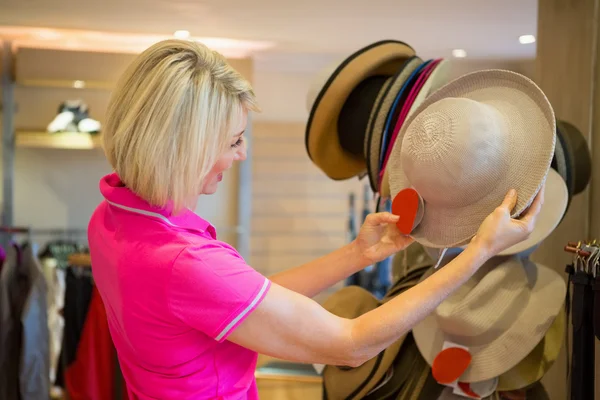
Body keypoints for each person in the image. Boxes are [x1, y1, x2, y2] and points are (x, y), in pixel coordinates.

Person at [88, 39, 544, 400]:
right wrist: (478, 251)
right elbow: (352, 343)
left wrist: (358, 254)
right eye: (233, 141)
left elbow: (242, 298)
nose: (241, 155)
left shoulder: (112, 218)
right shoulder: (183, 263)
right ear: (185, 148)